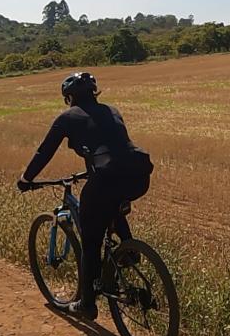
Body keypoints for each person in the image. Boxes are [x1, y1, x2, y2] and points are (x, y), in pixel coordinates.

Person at [17, 72, 153, 320]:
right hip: (138, 175)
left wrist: (26, 179)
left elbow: (44, 152)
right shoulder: (112, 110)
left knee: (91, 241)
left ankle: (87, 304)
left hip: (106, 179)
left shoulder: (67, 118)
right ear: (94, 92)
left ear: (69, 98)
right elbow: (113, 146)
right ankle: (128, 252)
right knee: (110, 203)